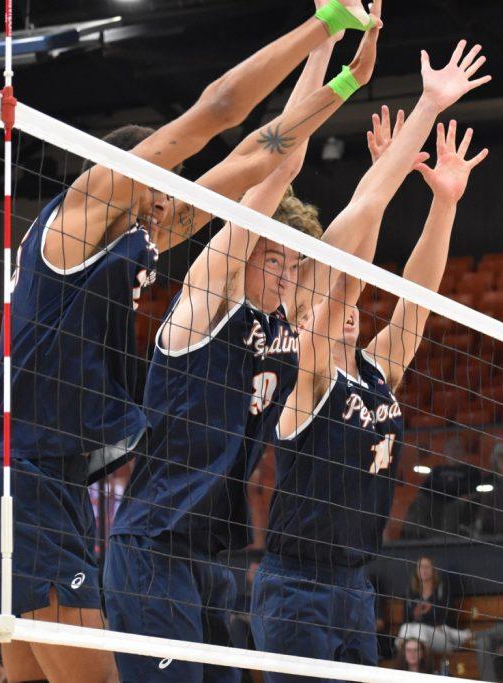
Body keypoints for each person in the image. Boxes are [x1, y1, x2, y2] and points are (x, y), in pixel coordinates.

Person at [0, 2, 378, 682]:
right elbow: (219, 110)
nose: (175, 206)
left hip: (50, 480)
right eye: (164, 189)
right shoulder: (81, 212)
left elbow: (262, 158)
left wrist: (339, 86)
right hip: (23, 478)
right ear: (136, 173)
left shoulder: (138, 237)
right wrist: (323, 25)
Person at [103, 10, 388, 682]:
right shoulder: (207, 301)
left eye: (294, 263)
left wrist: (390, 131)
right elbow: (275, 164)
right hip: (152, 547)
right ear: (246, 252)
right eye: (275, 257)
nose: (288, 271)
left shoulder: (286, 318)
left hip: (212, 554)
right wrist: (330, 47)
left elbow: (353, 228)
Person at [251, 49, 490, 678]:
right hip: (295, 587)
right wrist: (392, 160)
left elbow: (416, 300)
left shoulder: (374, 368)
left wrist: (444, 202)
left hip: (355, 587)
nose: (350, 306)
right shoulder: (309, 367)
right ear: (303, 309)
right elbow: (347, 267)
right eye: (333, 299)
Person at [396, 556, 472, 654]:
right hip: (415, 635)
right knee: (405, 628)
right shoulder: (411, 593)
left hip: (441, 636)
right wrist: (416, 614)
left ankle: (420, 664)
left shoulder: (442, 590)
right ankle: (408, 662)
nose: (424, 570)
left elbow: (448, 617)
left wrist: (430, 610)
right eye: (420, 567)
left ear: (433, 570)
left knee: (420, 630)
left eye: (427, 567)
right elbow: (406, 620)